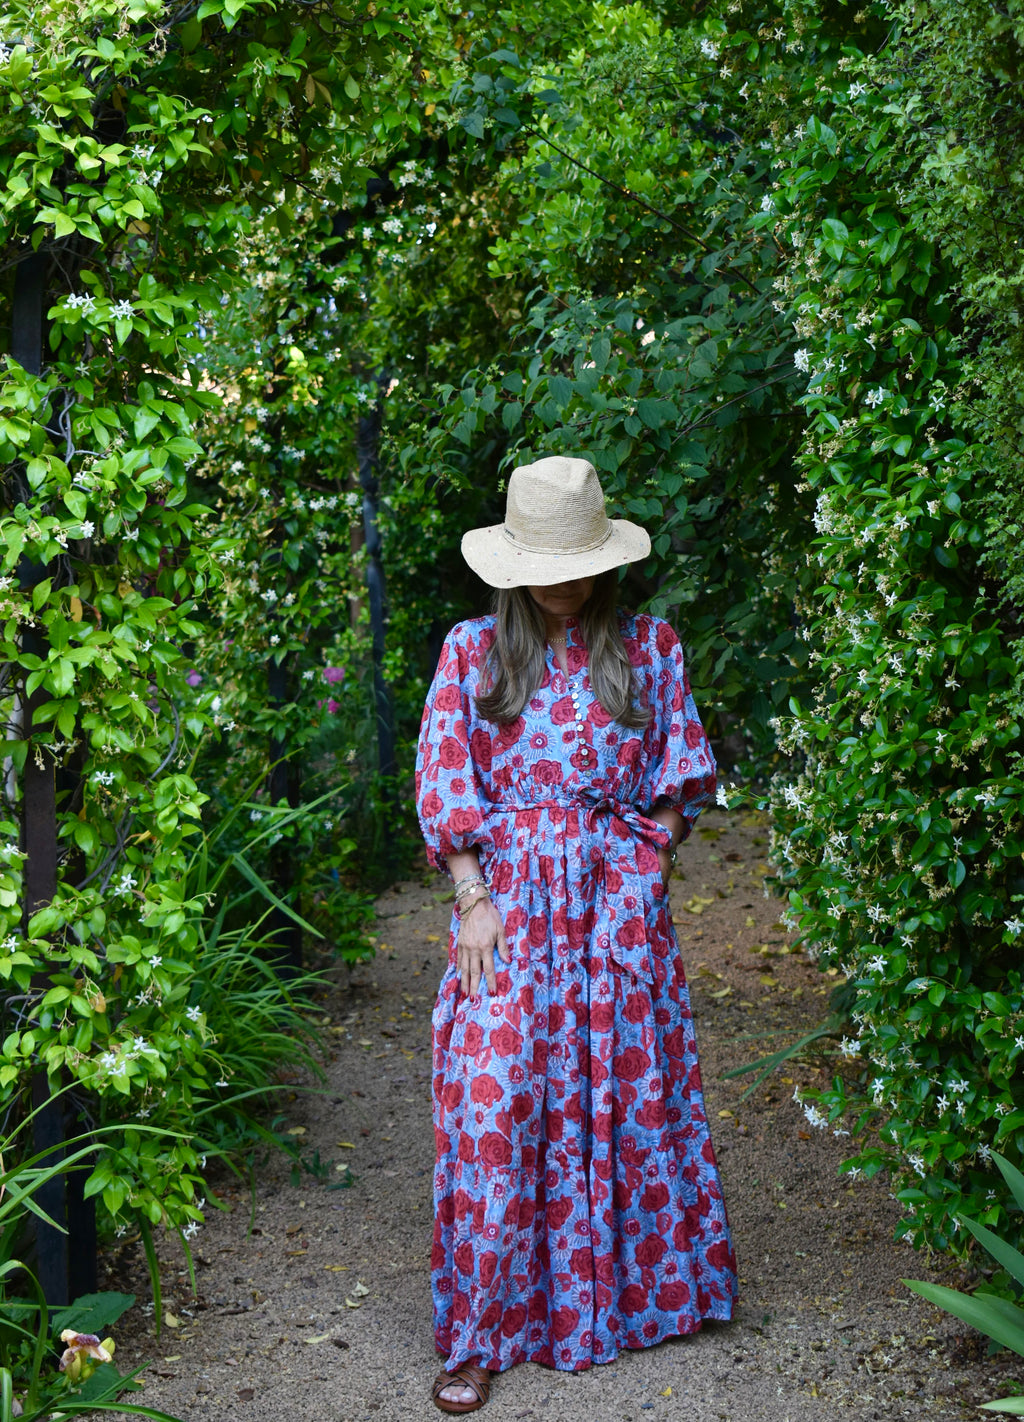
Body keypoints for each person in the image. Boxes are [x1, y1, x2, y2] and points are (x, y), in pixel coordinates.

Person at [415, 455, 737, 1414]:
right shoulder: (473, 652)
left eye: (582, 560)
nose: (567, 580)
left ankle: (622, 1306)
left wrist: (651, 862)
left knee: (621, 1097)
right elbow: (443, 785)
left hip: (613, 907)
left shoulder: (651, 647)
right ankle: (480, 1333)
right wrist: (473, 896)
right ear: (511, 563)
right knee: (492, 1100)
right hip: (507, 902)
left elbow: (684, 776)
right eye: (549, 562)